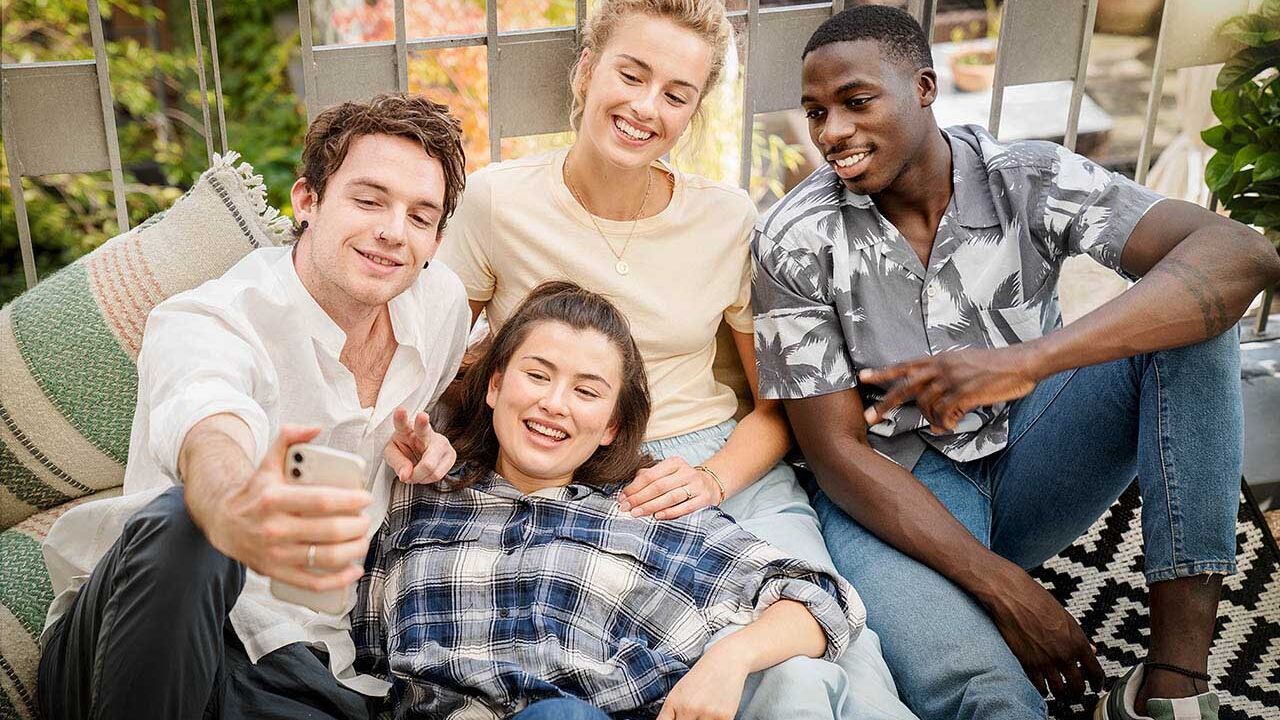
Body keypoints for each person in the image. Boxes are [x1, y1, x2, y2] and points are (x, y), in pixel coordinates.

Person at [750, 6, 1280, 720]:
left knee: (1195, 317)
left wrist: (1028, 362)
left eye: (856, 101)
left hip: (1034, 452)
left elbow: (1243, 255)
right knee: (993, 696)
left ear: (925, 89)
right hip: (892, 496)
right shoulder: (794, 238)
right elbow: (837, 453)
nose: (831, 132)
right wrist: (1005, 587)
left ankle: (1173, 686)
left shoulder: (1027, 177)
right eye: (816, 112)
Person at [435, 0, 914, 716]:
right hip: (573, 463)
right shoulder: (497, 203)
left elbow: (777, 407)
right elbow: (433, 358)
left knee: (833, 647)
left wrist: (714, 479)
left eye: (675, 94)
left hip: (720, 460)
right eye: (631, 74)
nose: (645, 107)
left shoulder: (728, 219)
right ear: (588, 70)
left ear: (694, 111)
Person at [37, 93, 473, 720]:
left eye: (420, 216)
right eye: (369, 200)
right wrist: (234, 510)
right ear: (308, 200)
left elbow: (479, 381)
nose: (392, 231)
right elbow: (207, 425)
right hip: (137, 640)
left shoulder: (439, 308)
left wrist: (441, 440)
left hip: (306, 663)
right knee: (191, 521)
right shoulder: (215, 318)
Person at [355, 280, 863, 720]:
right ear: (494, 386)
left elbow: (821, 598)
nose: (553, 404)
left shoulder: (646, 515)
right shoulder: (419, 493)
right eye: (537, 375)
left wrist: (727, 661)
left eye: (587, 391)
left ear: (611, 426)